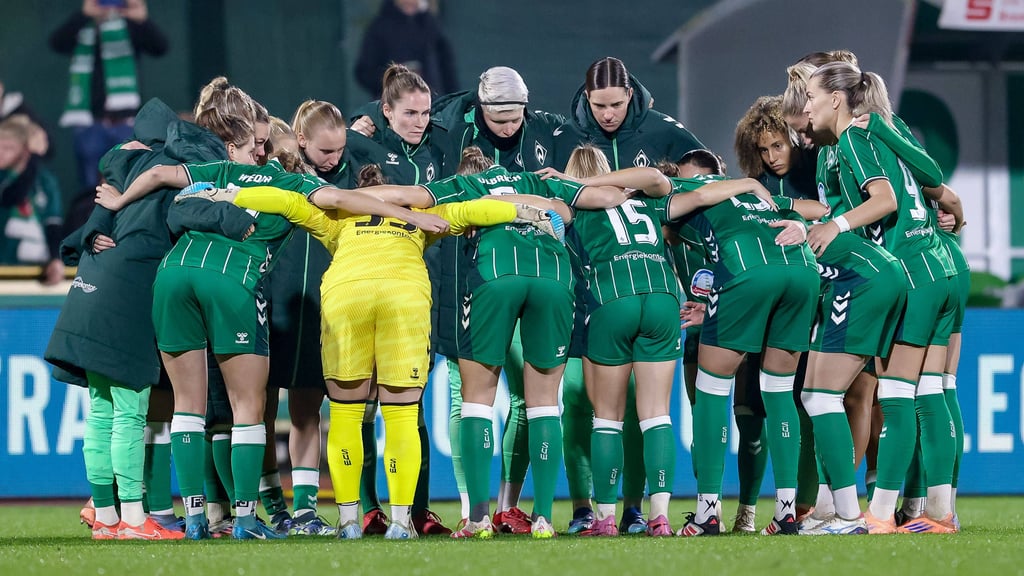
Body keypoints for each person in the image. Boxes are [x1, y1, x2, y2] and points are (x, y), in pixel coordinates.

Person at [94, 112, 447, 541]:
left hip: (172, 275)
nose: (259, 150)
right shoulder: (296, 186)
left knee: (187, 407)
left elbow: (163, 175)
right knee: (248, 408)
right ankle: (245, 519)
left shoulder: (223, 172)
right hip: (230, 279)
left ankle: (194, 518)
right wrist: (410, 216)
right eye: (256, 144)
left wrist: (117, 202)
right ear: (295, 152)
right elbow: (346, 200)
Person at [178, 150, 555, 539]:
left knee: (345, 413)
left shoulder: (338, 214)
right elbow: (478, 209)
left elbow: (282, 200)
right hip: (403, 297)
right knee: (402, 415)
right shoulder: (423, 216)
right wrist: (529, 213)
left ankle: (348, 521)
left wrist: (226, 195)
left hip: (347, 296)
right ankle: (400, 521)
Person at [44, 95, 232, 540]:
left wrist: (89, 232)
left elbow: (75, 239)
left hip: (86, 293)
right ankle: (134, 517)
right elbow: (201, 188)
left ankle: (107, 518)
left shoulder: (113, 178)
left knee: (101, 412)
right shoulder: (169, 179)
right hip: (128, 299)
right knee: (130, 413)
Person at [804, 62, 961, 534]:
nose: (807, 105)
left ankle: (879, 513)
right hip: (943, 263)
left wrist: (836, 224)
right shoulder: (886, 127)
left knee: (893, 396)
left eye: (811, 96)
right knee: (931, 393)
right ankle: (938, 511)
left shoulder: (854, 138)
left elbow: (885, 200)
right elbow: (936, 179)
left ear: (836, 97)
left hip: (911, 268)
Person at [554, 56, 706, 532]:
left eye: (616, 104)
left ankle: (601, 515)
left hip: (606, 298)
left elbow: (699, 169)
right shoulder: (642, 195)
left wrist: (573, 190)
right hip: (660, 292)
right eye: (599, 106)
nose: (608, 114)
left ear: (631, 97)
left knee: (604, 417)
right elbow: (686, 187)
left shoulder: (574, 193)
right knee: (655, 415)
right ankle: (657, 516)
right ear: (586, 100)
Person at [430, 66, 566, 533]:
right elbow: (576, 203)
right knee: (542, 402)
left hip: (487, 280)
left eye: (515, 119)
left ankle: (478, 515)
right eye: (499, 119)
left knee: (471, 400)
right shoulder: (453, 127)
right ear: (479, 110)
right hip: (547, 276)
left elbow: (416, 195)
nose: (509, 128)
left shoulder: (468, 182)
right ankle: (539, 514)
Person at [347, 63, 452, 535]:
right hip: (362, 288)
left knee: (409, 403)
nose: (420, 121)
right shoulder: (358, 146)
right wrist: (354, 127)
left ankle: (416, 509)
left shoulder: (441, 147)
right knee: (362, 404)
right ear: (385, 112)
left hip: (413, 292)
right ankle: (369, 508)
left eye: (426, 112)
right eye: (409, 113)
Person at [50, 0, 168, 190]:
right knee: (91, 189)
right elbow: (57, 42)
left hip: (125, 123)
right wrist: (84, 15)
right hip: (90, 122)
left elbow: (160, 47)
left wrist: (142, 20)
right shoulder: (83, 26)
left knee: (130, 182)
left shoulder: (129, 26)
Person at [0, 115, 65, 285]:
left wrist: (55, 259)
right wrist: (34, 157)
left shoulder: (45, 181)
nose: (1, 152)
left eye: (8, 148)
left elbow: (53, 223)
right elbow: (11, 196)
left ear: (24, 150)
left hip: (36, 273)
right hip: (4, 270)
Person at [354, 0, 458, 97]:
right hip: (394, 106)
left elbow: (447, 70)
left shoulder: (432, 26)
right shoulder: (379, 28)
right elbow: (365, 73)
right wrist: (396, 78)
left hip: (433, 106)